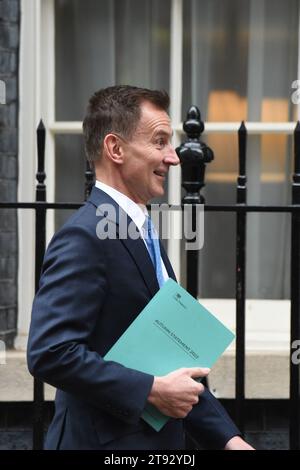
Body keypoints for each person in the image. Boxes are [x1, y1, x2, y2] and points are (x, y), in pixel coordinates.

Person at [27, 85, 253, 450]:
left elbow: (173, 362)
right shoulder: (84, 237)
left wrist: (230, 440)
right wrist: (150, 389)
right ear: (115, 149)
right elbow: (50, 351)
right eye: (160, 141)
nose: (174, 157)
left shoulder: (143, 232)